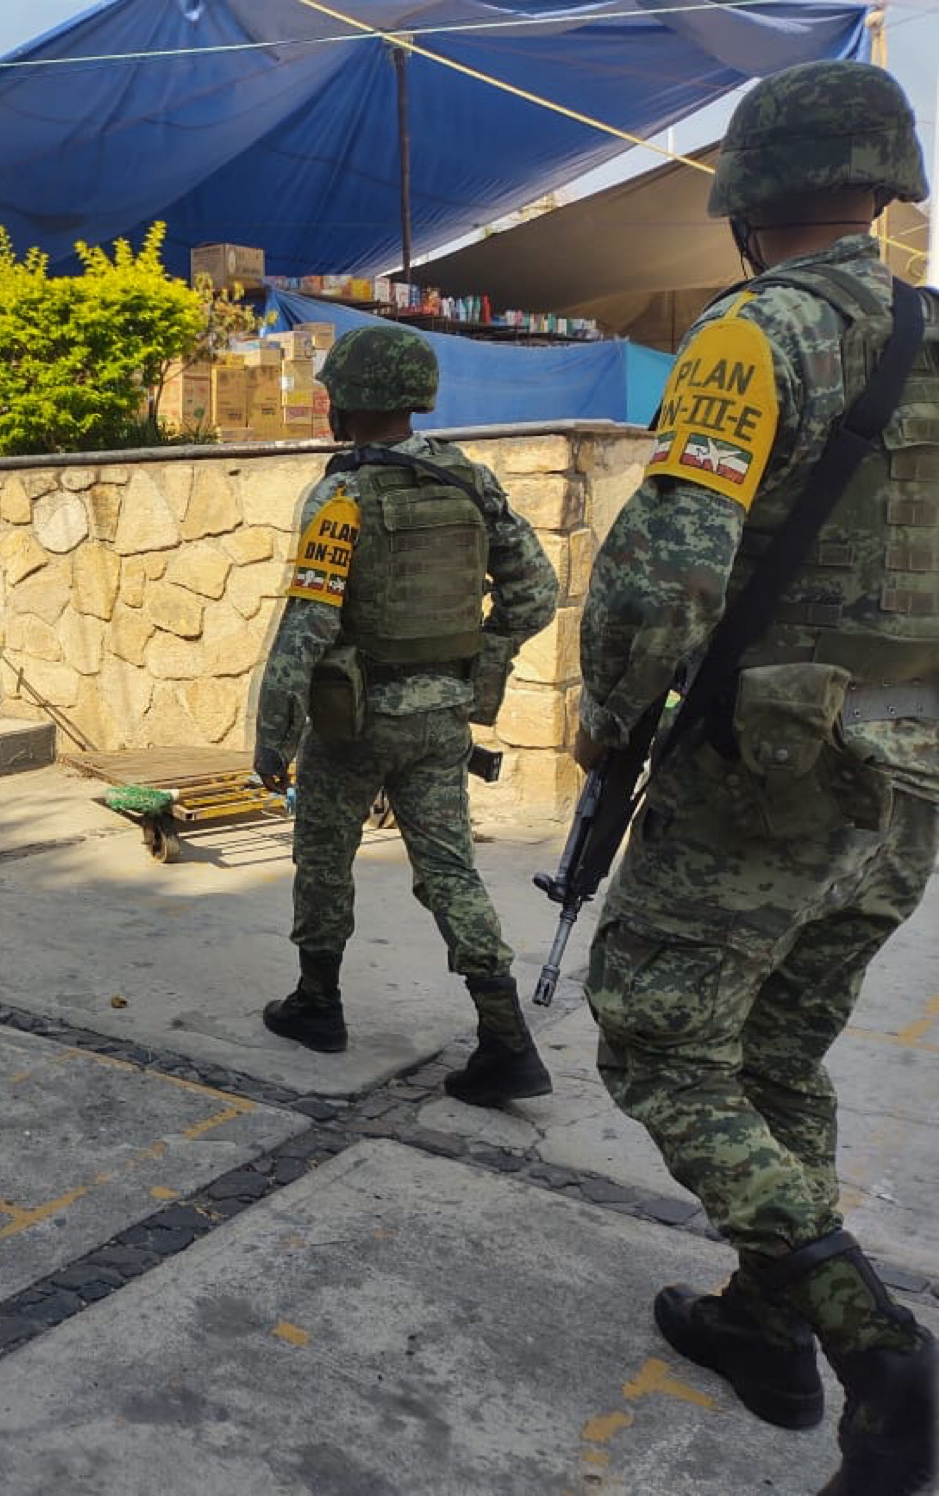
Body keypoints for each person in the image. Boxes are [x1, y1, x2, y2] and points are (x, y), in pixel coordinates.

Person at [575, 61, 936, 1489]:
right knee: (778, 1051)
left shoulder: (758, 333)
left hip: (775, 774)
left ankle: (879, 1352)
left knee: (657, 1038)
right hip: (911, 783)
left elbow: (662, 574)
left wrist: (609, 719)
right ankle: (760, 1321)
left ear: (751, 200)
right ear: (882, 182)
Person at [253, 325, 559, 1105]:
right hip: (442, 718)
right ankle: (506, 1039)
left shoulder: (341, 492)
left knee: (325, 860)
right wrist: (477, 660)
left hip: (356, 721)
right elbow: (535, 596)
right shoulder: (470, 482)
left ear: (348, 400)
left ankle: (317, 1005)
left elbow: (309, 626)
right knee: (450, 871)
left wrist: (273, 735)